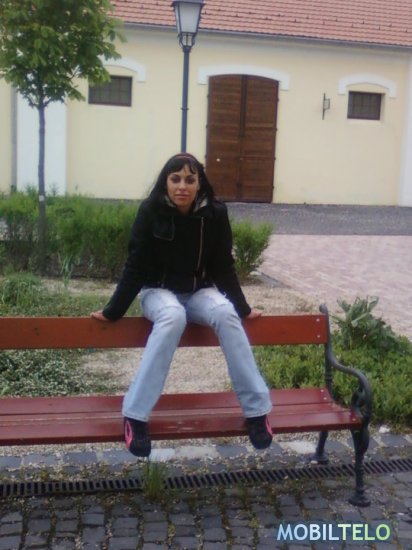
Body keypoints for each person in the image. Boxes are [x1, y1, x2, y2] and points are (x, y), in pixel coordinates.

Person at [91, 153, 273, 457]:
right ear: (166, 182)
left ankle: (257, 411)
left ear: (200, 182)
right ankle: (135, 416)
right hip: (157, 292)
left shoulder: (215, 214)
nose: (182, 186)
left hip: (199, 291)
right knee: (173, 315)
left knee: (226, 314)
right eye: (175, 179)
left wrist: (243, 308)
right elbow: (136, 266)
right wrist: (114, 310)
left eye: (190, 179)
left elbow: (223, 266)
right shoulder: (151, 211)